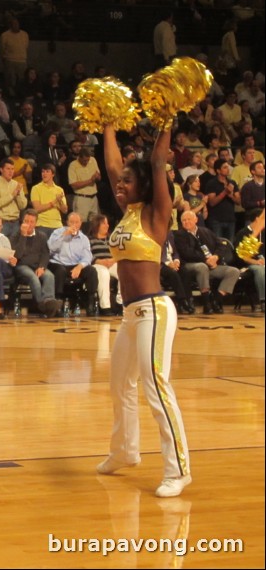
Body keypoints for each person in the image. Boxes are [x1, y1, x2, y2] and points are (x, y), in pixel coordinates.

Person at [97, 123, 191, 498]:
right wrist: (106, 126)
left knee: (156, 387)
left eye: (127, 182)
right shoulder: (127, 213)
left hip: (155, 310)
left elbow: (155, 163)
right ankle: (125, 451)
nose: (120, 185)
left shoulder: (157, 213)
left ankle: (178, 470)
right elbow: (111, 165)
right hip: (130, 315)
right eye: (119, 182)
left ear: (144, 186)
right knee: (120, 385)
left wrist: (166, 122)